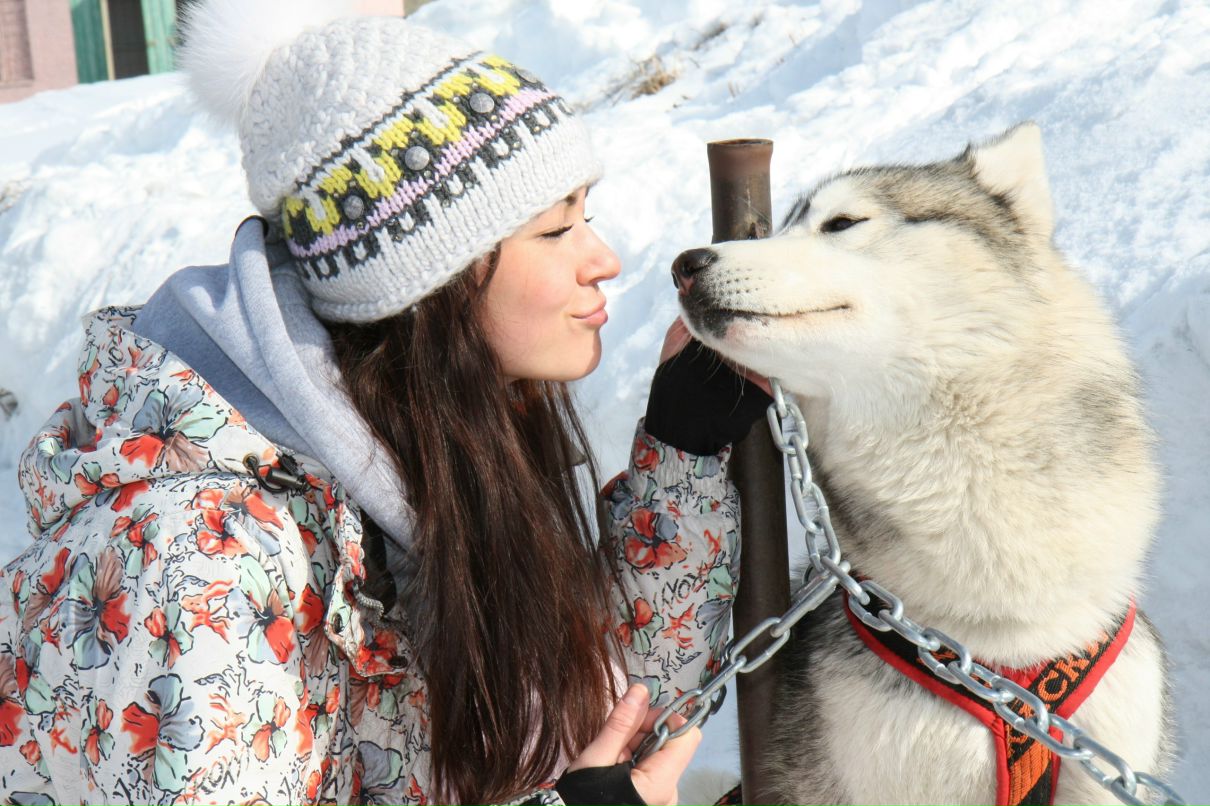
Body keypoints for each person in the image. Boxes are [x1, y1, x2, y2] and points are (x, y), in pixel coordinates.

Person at [0, 2, 771, 804]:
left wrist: (680, 456)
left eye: (589, 217)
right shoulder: (201, 566)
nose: (602, 259)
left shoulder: (424, 462)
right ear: (421, 288)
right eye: (554, 231)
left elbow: (600, 719)